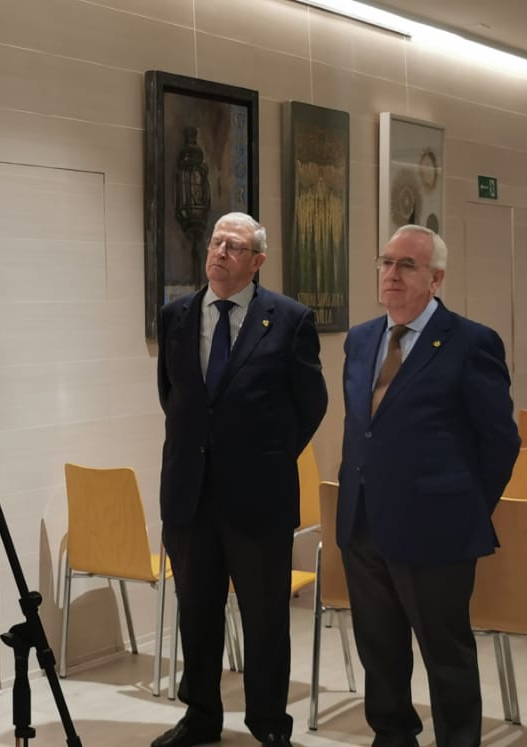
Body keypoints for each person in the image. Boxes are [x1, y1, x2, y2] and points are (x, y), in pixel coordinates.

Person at [336, 225, 519, 747]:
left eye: (407, 266)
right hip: (365, 519)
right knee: (379, 647)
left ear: (436, 279)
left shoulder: (471, 342)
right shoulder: (362, 338)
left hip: (437, 528)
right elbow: (363, 428)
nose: (391, 274)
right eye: (386, 262)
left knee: (445, 653)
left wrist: (464, 507)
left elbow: (500, 441)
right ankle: (392, 736)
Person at [153, 212, 328, 747]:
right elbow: (173, 397)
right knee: (198, 613)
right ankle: (200, 715)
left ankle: (269, 723)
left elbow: (311, 404)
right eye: (216, 242)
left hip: (259, 498)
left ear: (258, 261)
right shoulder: (176, 316)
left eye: (234, 246)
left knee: (265, 618)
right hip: (191, 495)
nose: (220, 252)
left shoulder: (290, 319)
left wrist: (267, 456)